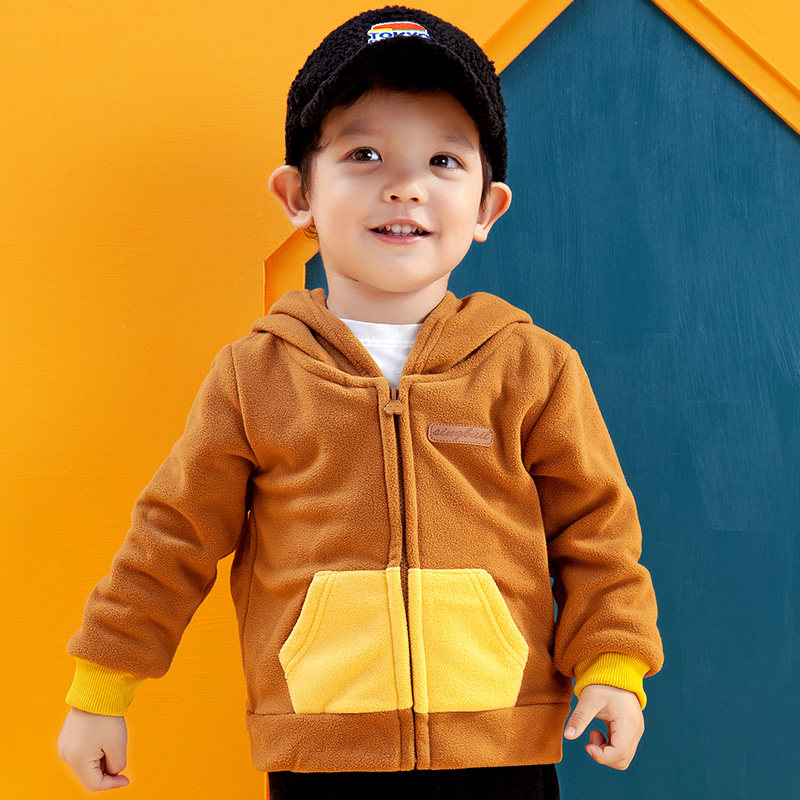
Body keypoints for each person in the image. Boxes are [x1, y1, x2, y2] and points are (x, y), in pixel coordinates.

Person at [57, 6, 664, 797]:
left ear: (487, 208)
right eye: (364, 154)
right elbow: (172, 537)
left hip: (502, 750)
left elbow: (597, 532)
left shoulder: (533, 368)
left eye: (443, 160)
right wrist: (102, 689)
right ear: (298, 195)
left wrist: (614, 665)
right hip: (322, 754)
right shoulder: (254, 376)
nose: (405, 185)